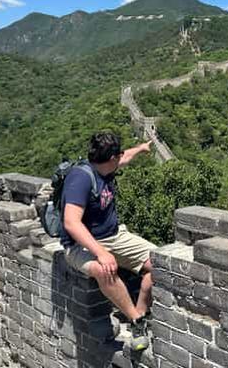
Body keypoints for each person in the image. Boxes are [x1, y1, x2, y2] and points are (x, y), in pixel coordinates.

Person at [60, 132, 156, 351]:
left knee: (160, 263)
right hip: (80, 243)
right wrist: (101, 253)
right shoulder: (81, 178)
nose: (121, 157)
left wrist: (141, 148)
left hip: (114, 236)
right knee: (103, 270)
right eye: (118, 155)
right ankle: (136, 321)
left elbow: (126, 156)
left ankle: (140, 312)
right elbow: (71, 222)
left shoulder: (106, 166)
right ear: (111, 158)